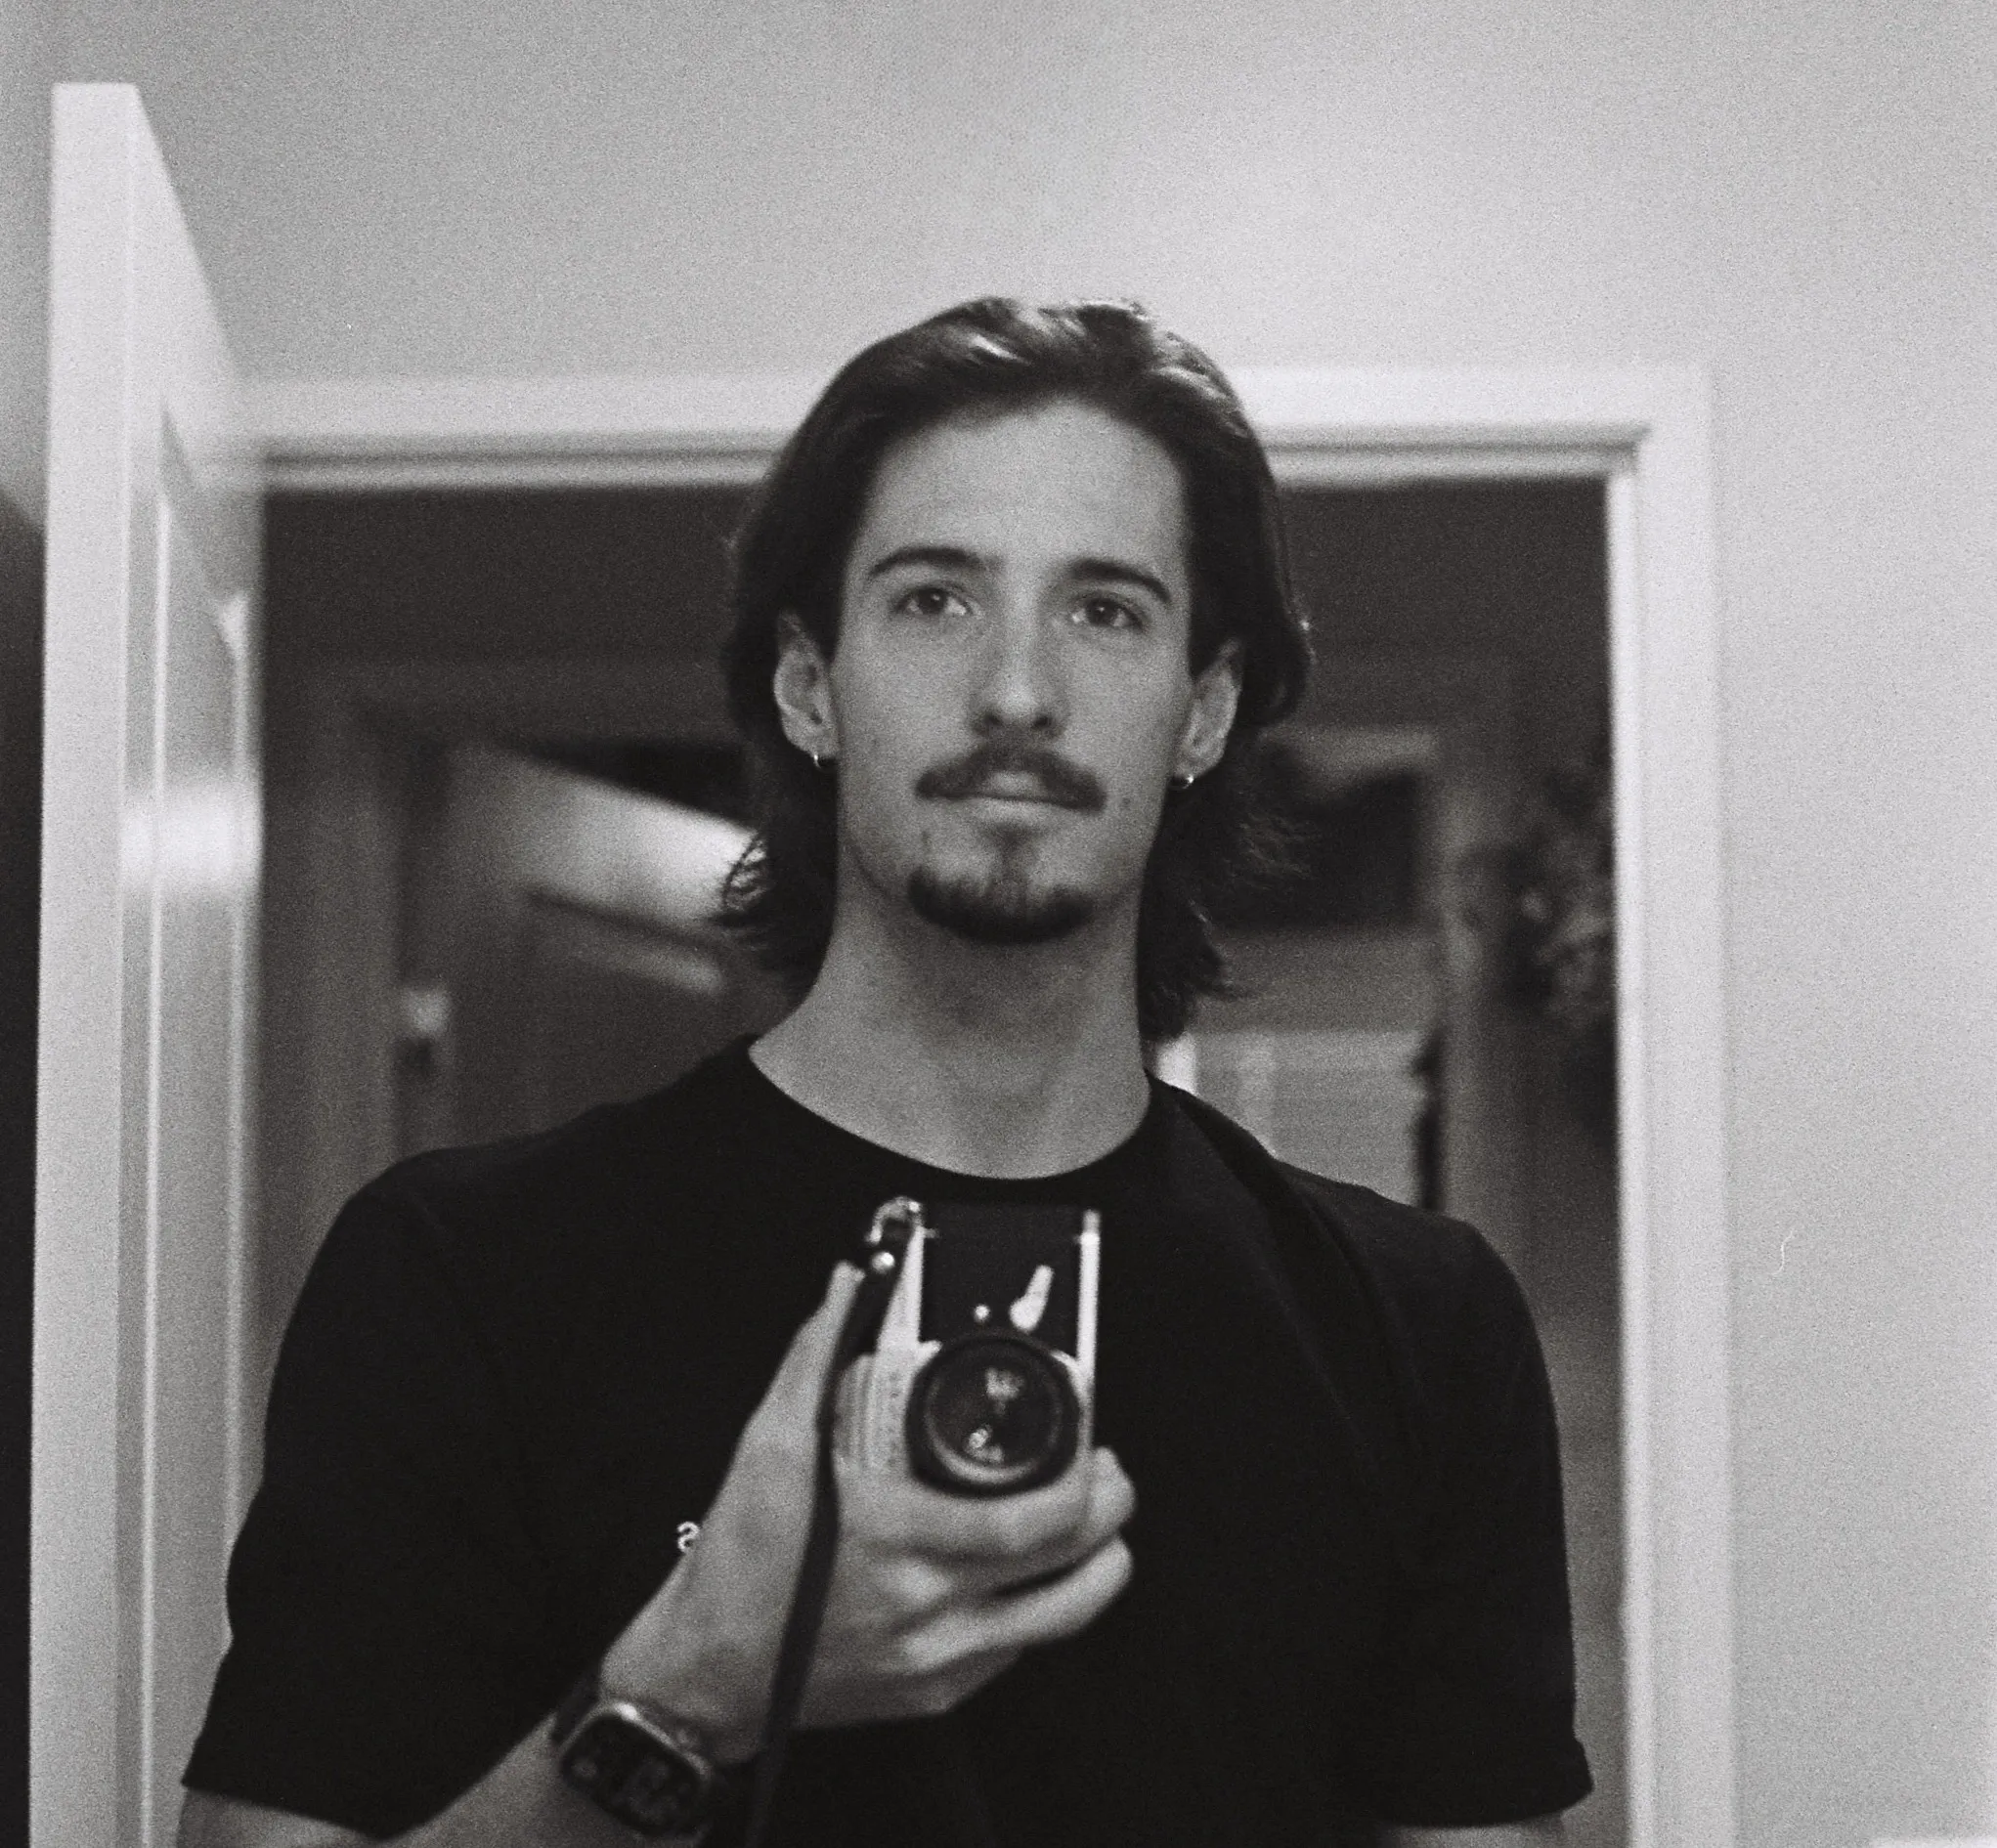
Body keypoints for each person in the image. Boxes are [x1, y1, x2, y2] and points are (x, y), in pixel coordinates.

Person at [179, 298, 1592, 1847]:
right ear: (808, 685)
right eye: (934, 600)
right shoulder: (465, 1272)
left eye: (1105, 610)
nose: (1015, 691)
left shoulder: (1416, 1324)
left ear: (1201, 707)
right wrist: (689, 1688)